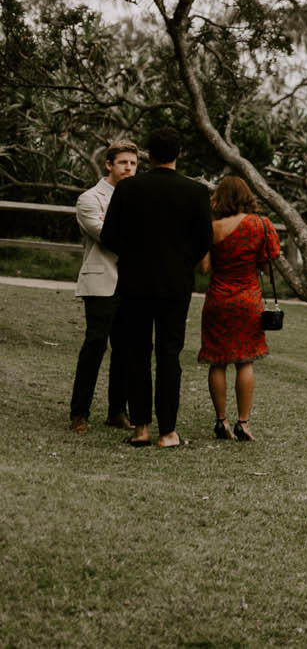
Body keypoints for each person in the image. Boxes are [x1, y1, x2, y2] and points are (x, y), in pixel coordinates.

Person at [99, 127, 212, 449]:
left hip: (135, 281)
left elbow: (109, 236)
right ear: (179, 154)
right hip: (176, 284)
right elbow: (205, 240)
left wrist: (135, 255)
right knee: (169, 354)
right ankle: (168, 432)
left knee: (136, 352)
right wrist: (180, 260)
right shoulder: (196, 192)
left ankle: (141, 428)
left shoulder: (130, 188)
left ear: (148, 154)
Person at [197, 176, 281, 442]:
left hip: (218, 300)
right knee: (245, 361)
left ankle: (221, 421)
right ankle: (243, 423)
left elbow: (203, 268)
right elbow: (267, 266)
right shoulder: (262, 225)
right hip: (247, 299)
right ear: (247, 197)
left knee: (217, 361)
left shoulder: (210, 227)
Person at [69, 139, 138, 433]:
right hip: (101, 282)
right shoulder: (89, 198)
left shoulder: (140, 198)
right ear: (109, 165)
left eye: (134, 163)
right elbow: (106, 235)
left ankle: (116, 411)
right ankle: (79, 413)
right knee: (95, 346)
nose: (129, 168)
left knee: (126, 349)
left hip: (132, 284)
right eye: (123, 162)